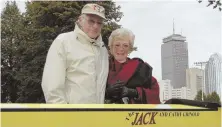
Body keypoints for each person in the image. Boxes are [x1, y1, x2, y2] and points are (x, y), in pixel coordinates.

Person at [41, 3, 109, 104]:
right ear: (80, 20)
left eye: (99, 23)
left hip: (96, 116)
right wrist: (63, 115)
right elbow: (52, 86)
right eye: (91, 21)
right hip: (69, 116)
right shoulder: (63, 41)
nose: (95, 26)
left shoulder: (102, 49)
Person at [105, 28, 160, 104]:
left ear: (130, 49)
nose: (121, 49)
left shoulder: (141, 68)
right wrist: (106, 92)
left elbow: (154, 92)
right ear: (110, 47)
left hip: (132, 114)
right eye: (117, 45)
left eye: (125, 45)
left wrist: (135, 92)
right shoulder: (102, 66)